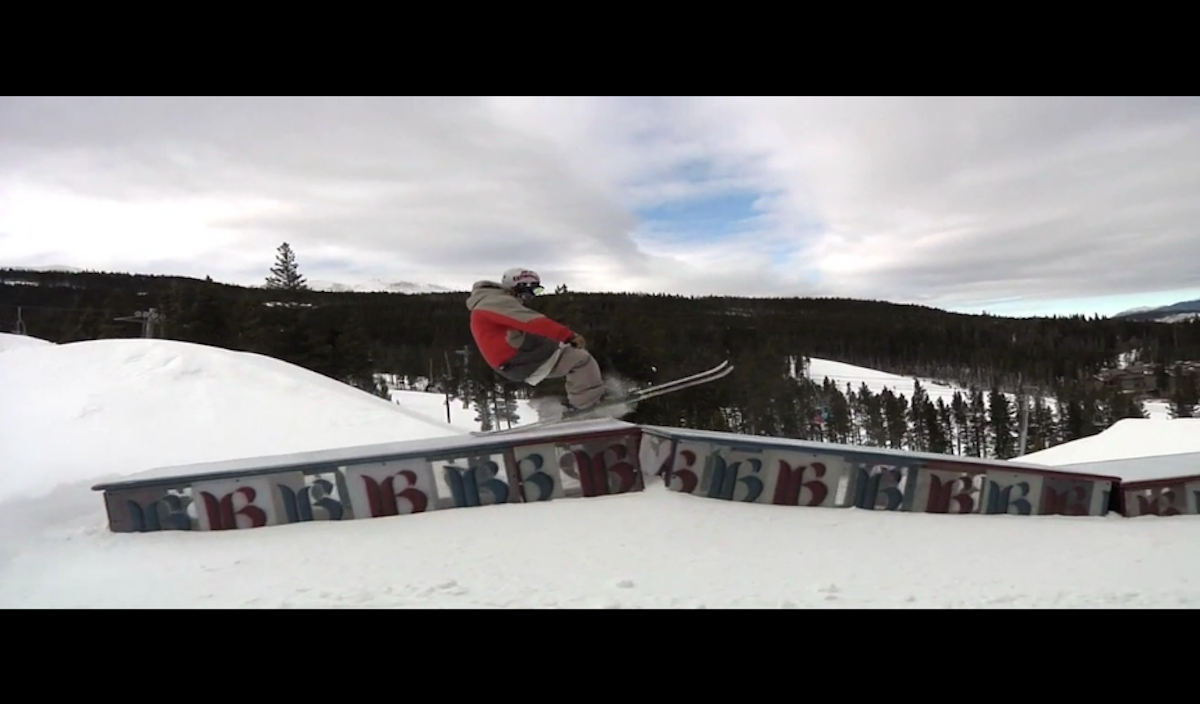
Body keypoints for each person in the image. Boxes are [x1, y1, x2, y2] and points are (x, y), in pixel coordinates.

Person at [466, 267, 607, 412]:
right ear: (519, 287)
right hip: (517, 360)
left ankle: (582, 399)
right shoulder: (496, 302)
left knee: (572, 354)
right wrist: (569, 336)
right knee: (581, 360)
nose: (532, 296)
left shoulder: (491, 301)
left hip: (516, 358)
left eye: (537, 291)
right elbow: (533, 322)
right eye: (532, 291)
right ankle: (586, 405)